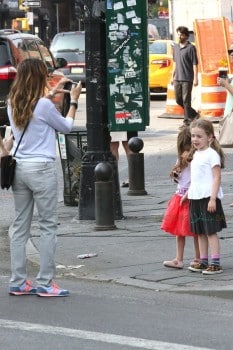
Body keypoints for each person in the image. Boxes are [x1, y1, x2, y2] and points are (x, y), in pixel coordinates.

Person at [7, 58, 82, 296]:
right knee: (48, 226)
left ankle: (18, 281)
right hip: (42, 169)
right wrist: (75, 100)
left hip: (19, 169)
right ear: (39, 77)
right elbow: (66, 127)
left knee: (20, 226)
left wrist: (52, 92)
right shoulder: (44, 105)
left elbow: (35, 109)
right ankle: (45, 283)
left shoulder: (12, 102)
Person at [187, 119, 226, 275]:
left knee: (210, 231)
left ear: (210, 137)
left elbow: (217, 177)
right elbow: (196, 178)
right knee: (200, 231)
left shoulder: (212, 155)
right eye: (193, 136)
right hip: (195, 197)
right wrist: (187, 194)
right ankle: (203, 261)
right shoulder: (195, 154)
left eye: (199, 136)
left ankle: (215, 263)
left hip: (208, 198)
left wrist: (212, 198)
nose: (195, 139)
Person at [161, 127, 200, 269]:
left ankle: (198, 257)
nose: (185, 150)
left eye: (188, 147)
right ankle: (179, 258)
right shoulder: (180, 159)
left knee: (196, 230)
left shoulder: (195, 159)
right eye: (183, 148)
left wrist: (189, 160)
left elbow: (197, 177)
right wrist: (176, 173)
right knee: (179, 230)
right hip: (179, 196)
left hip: (192, 196)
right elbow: (178, 176)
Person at [171, 26, 199, 128]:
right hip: (177, 78)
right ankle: (194, 114)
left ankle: (187, 122)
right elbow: (174, 63)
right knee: (179, 100)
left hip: (187, 78)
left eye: (182, 34)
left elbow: (195, 64)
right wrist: (172, 76)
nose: (179, 36)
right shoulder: (176, 47)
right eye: (178, 34)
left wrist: (196, 78)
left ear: (186, 36)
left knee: (186, 100)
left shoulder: (191, 48)